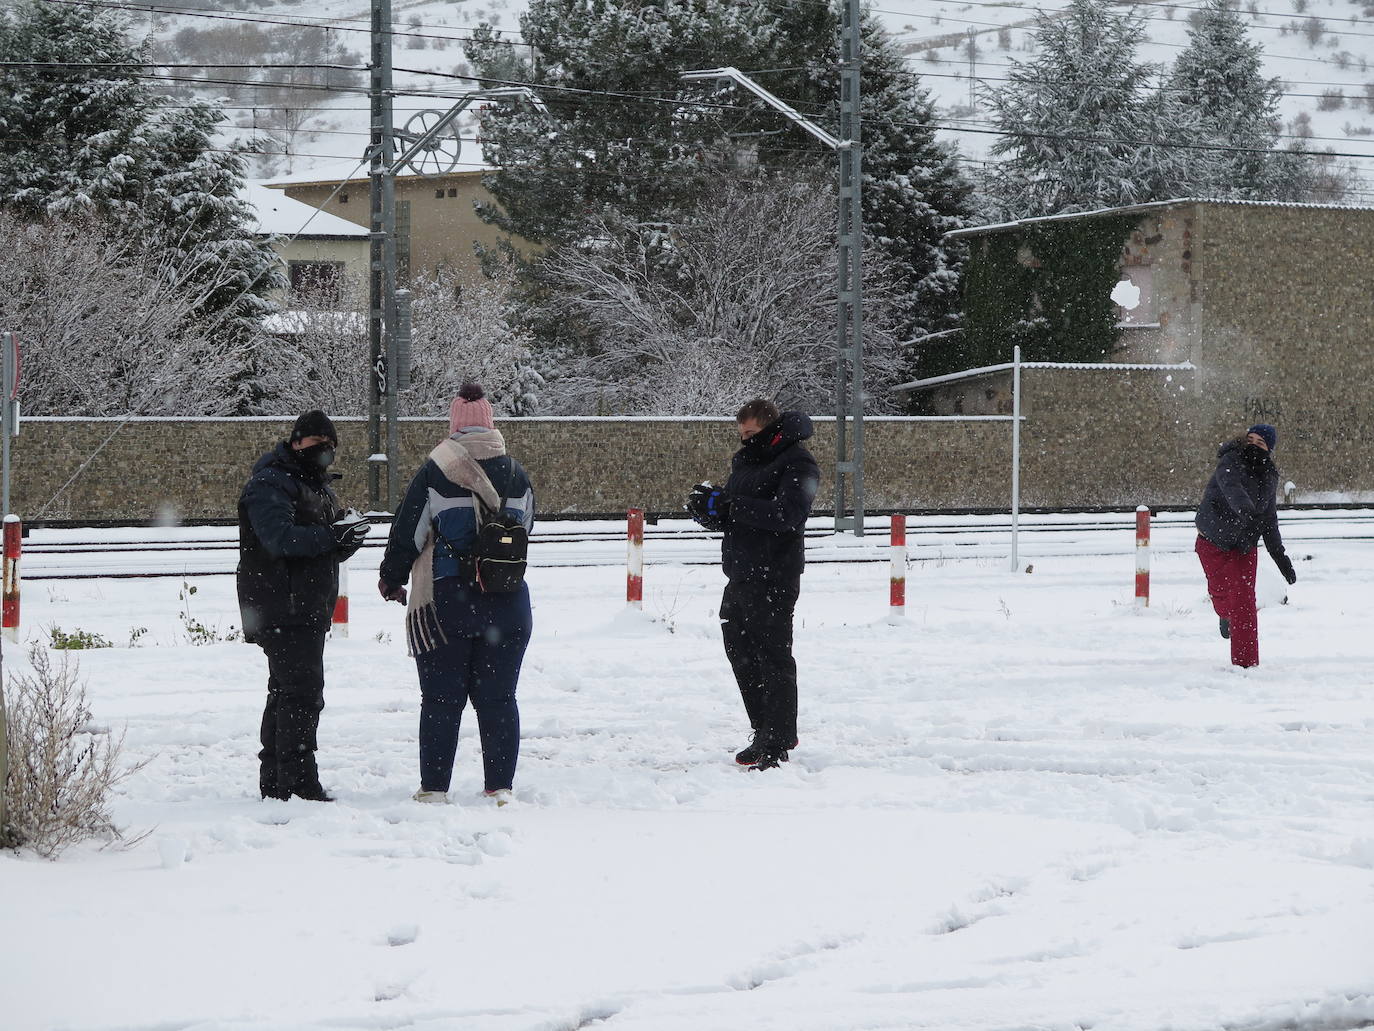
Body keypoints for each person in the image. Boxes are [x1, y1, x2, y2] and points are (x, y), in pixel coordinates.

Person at [378, 382, 535, 806]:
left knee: (442, 700)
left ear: (455, 425)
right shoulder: (517, 473)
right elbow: (525, 530)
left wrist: (392, 577)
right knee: (499, 698)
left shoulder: (437, 470)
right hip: (509, 603)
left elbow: (409, 533)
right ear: (490, 424)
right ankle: (499, 786)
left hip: (450, 604)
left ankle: (434, 789)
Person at [238, 410, 370, 801]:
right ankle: (296, 783)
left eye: (331, 447)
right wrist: (332, 536)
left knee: (288, 692)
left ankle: (279, 782)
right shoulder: (270, 484)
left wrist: (344, 540)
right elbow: (279, 540)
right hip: (283, 606)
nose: (325, 452)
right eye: (317, 444)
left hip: (304, 604)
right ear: (296, 442)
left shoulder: (312, 484)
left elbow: (314, 548)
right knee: (301, 694)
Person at [686, 398, 820, 770]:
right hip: (741, 574)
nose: (746, 440)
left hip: (774, 575)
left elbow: (788, 515)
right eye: (741, 434)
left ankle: (777, 739)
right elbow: (737, 514)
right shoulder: (745, 461)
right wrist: (710, 512)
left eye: (752, 433)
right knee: (741, 654)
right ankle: (763, 729)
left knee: (773, 658)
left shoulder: (798, 462)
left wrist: (732, 505)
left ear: (771, 428)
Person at [1194, 423, 1297, 668]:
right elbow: (1233, 489)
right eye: (1250, 439)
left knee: (1244, 602)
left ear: (1269, 449)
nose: (1253, 445)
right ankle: (1224, 614)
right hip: (1213, 539)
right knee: (1221, 596)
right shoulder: (1230, 460)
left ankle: (1246, 664)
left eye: (1260, 443)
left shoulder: (1269, 476)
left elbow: (1269, 519)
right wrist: (1249, 514)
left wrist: (1280, 556)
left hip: (1243, 545)